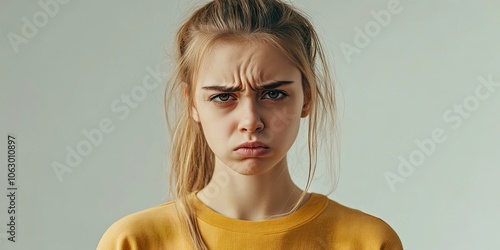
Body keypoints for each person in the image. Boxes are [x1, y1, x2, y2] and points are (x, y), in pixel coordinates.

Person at [97, 0, 403, 249]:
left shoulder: (368, 242)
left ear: (306, 98)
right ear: (192, 103)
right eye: (223, 97)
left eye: (273, 94)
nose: (251, 122)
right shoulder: (134, 242)